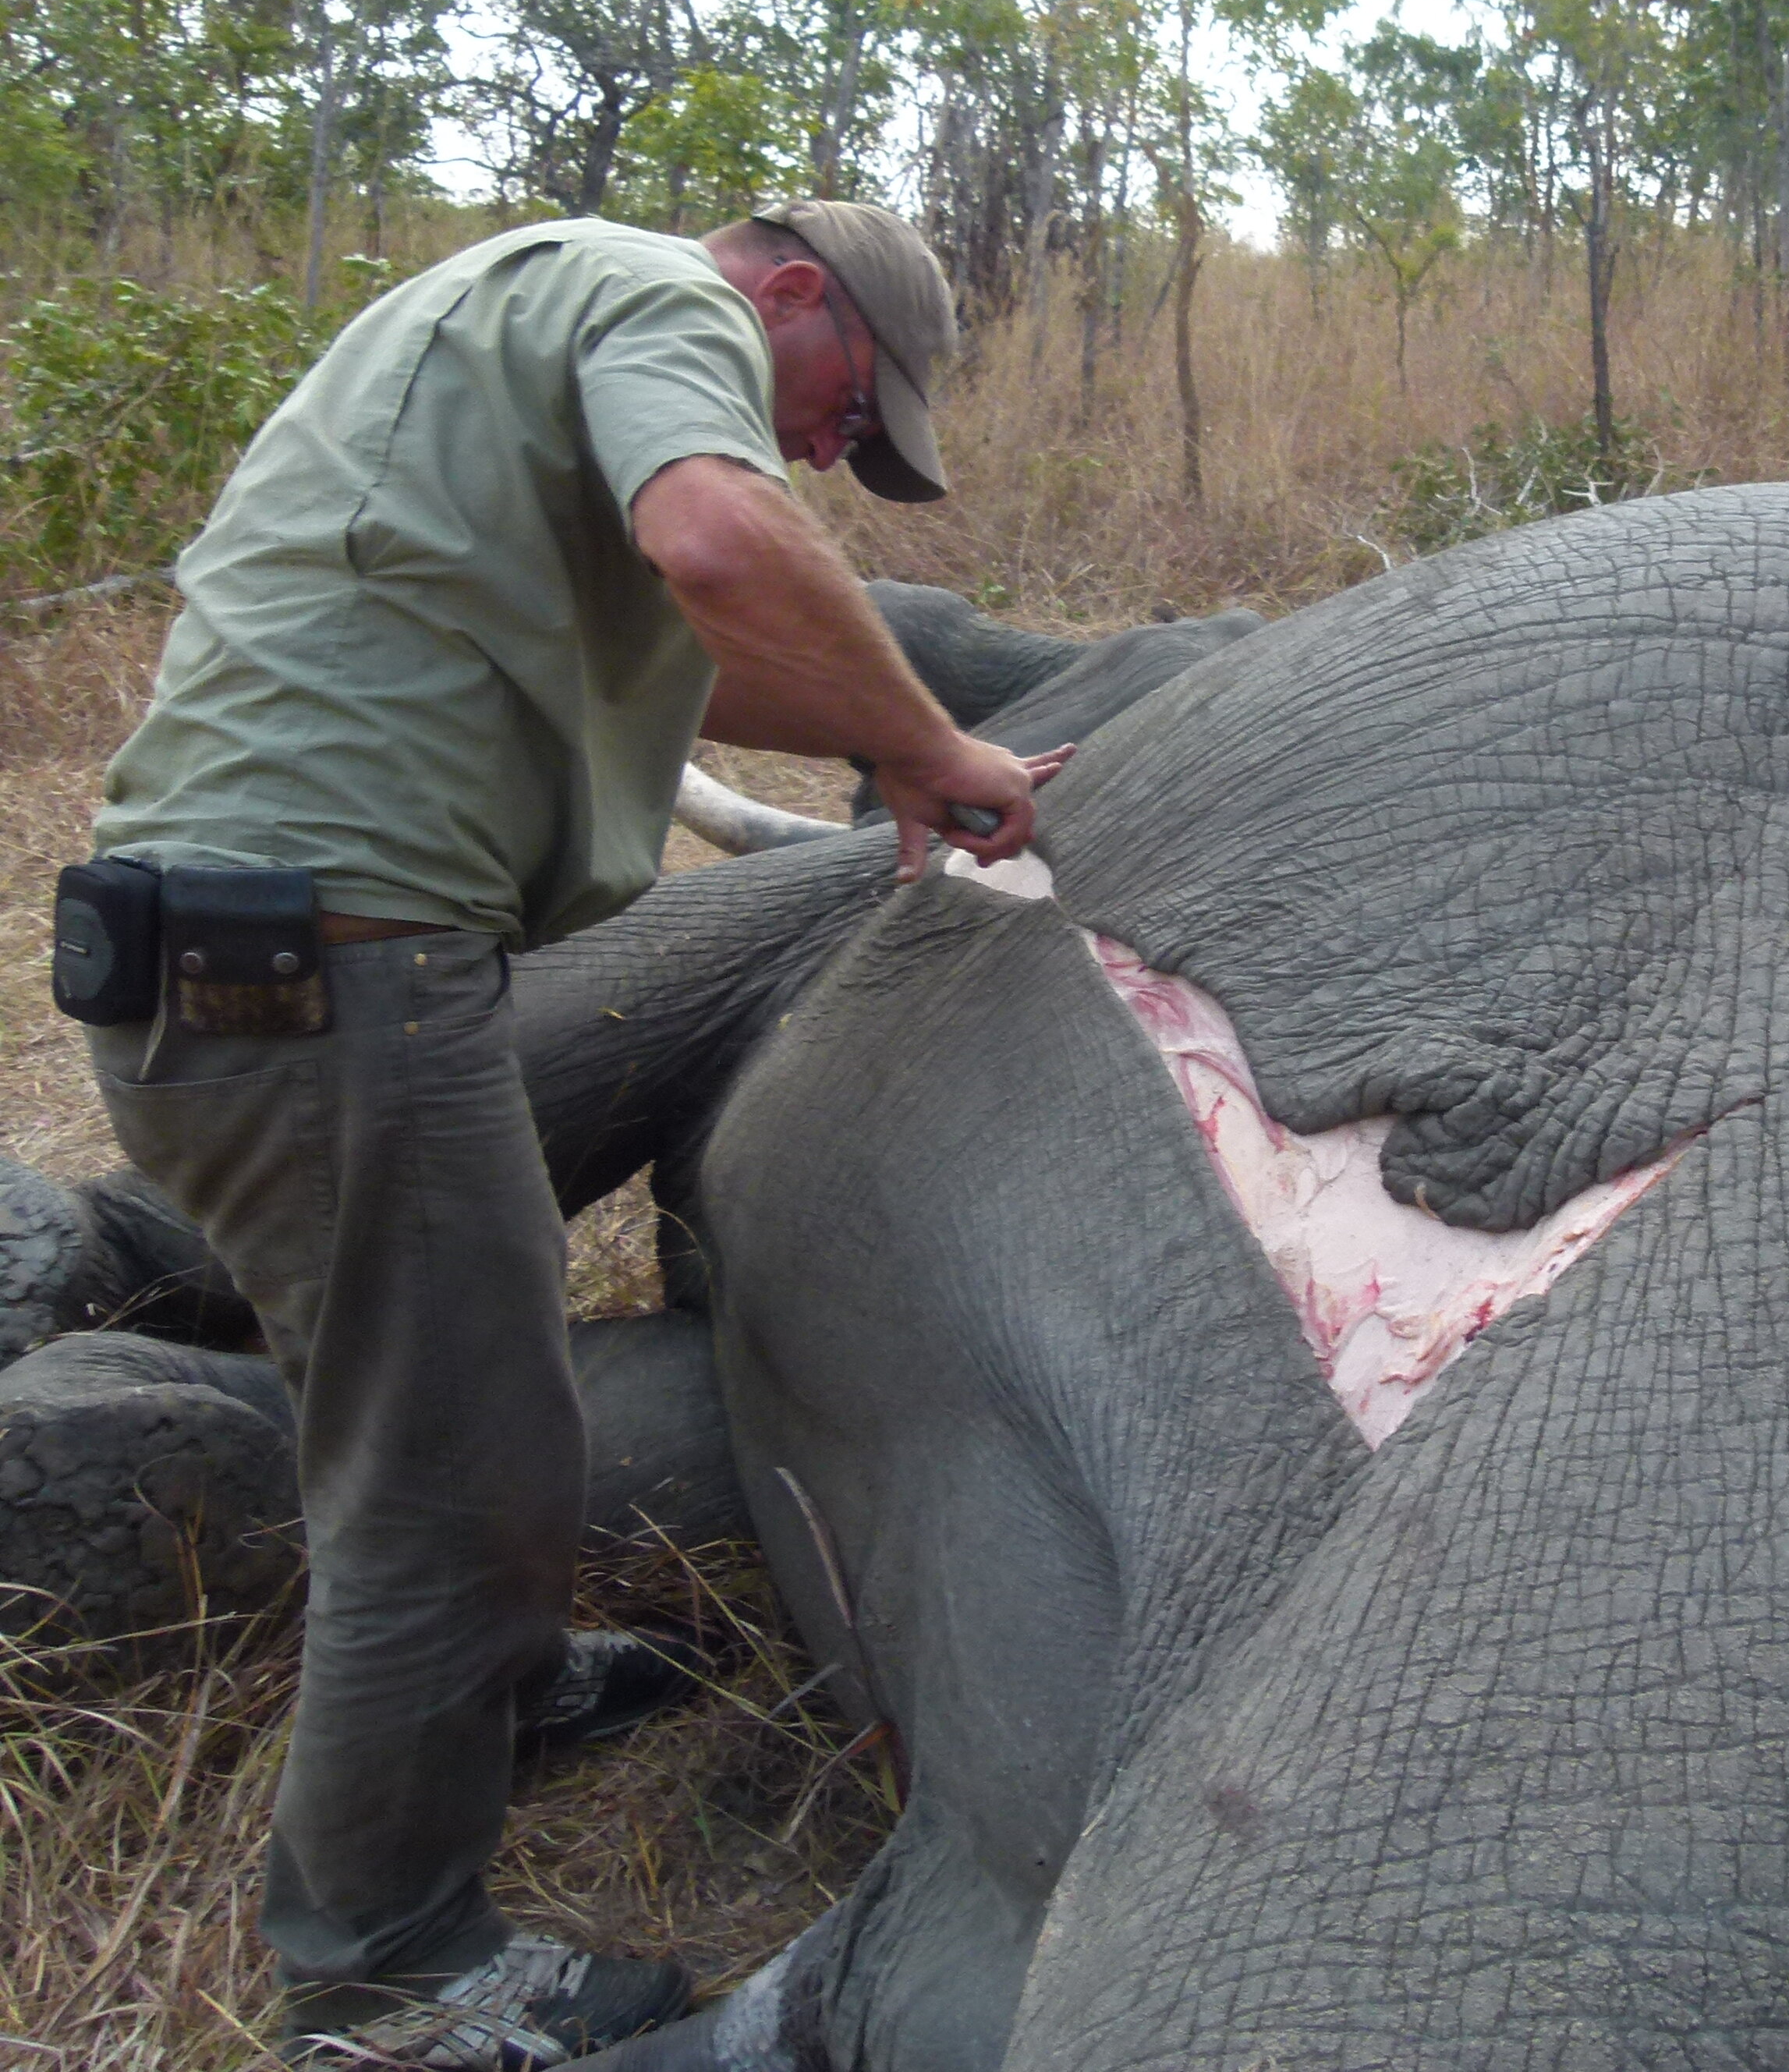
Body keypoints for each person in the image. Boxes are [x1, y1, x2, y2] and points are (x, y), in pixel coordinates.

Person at [76, 200, 1067, 2065]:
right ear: (788, 295)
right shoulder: (648, 294)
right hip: (335, 968)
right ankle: (387, 1975)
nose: (821, 455)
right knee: (449, 1472)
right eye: (848, 416)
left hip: (252, 953)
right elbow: (716, 543)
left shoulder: (502, 318)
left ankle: (481, 1689)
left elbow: (703, 657)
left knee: (446, 1379)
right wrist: (941, 761)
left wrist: (904, 727)